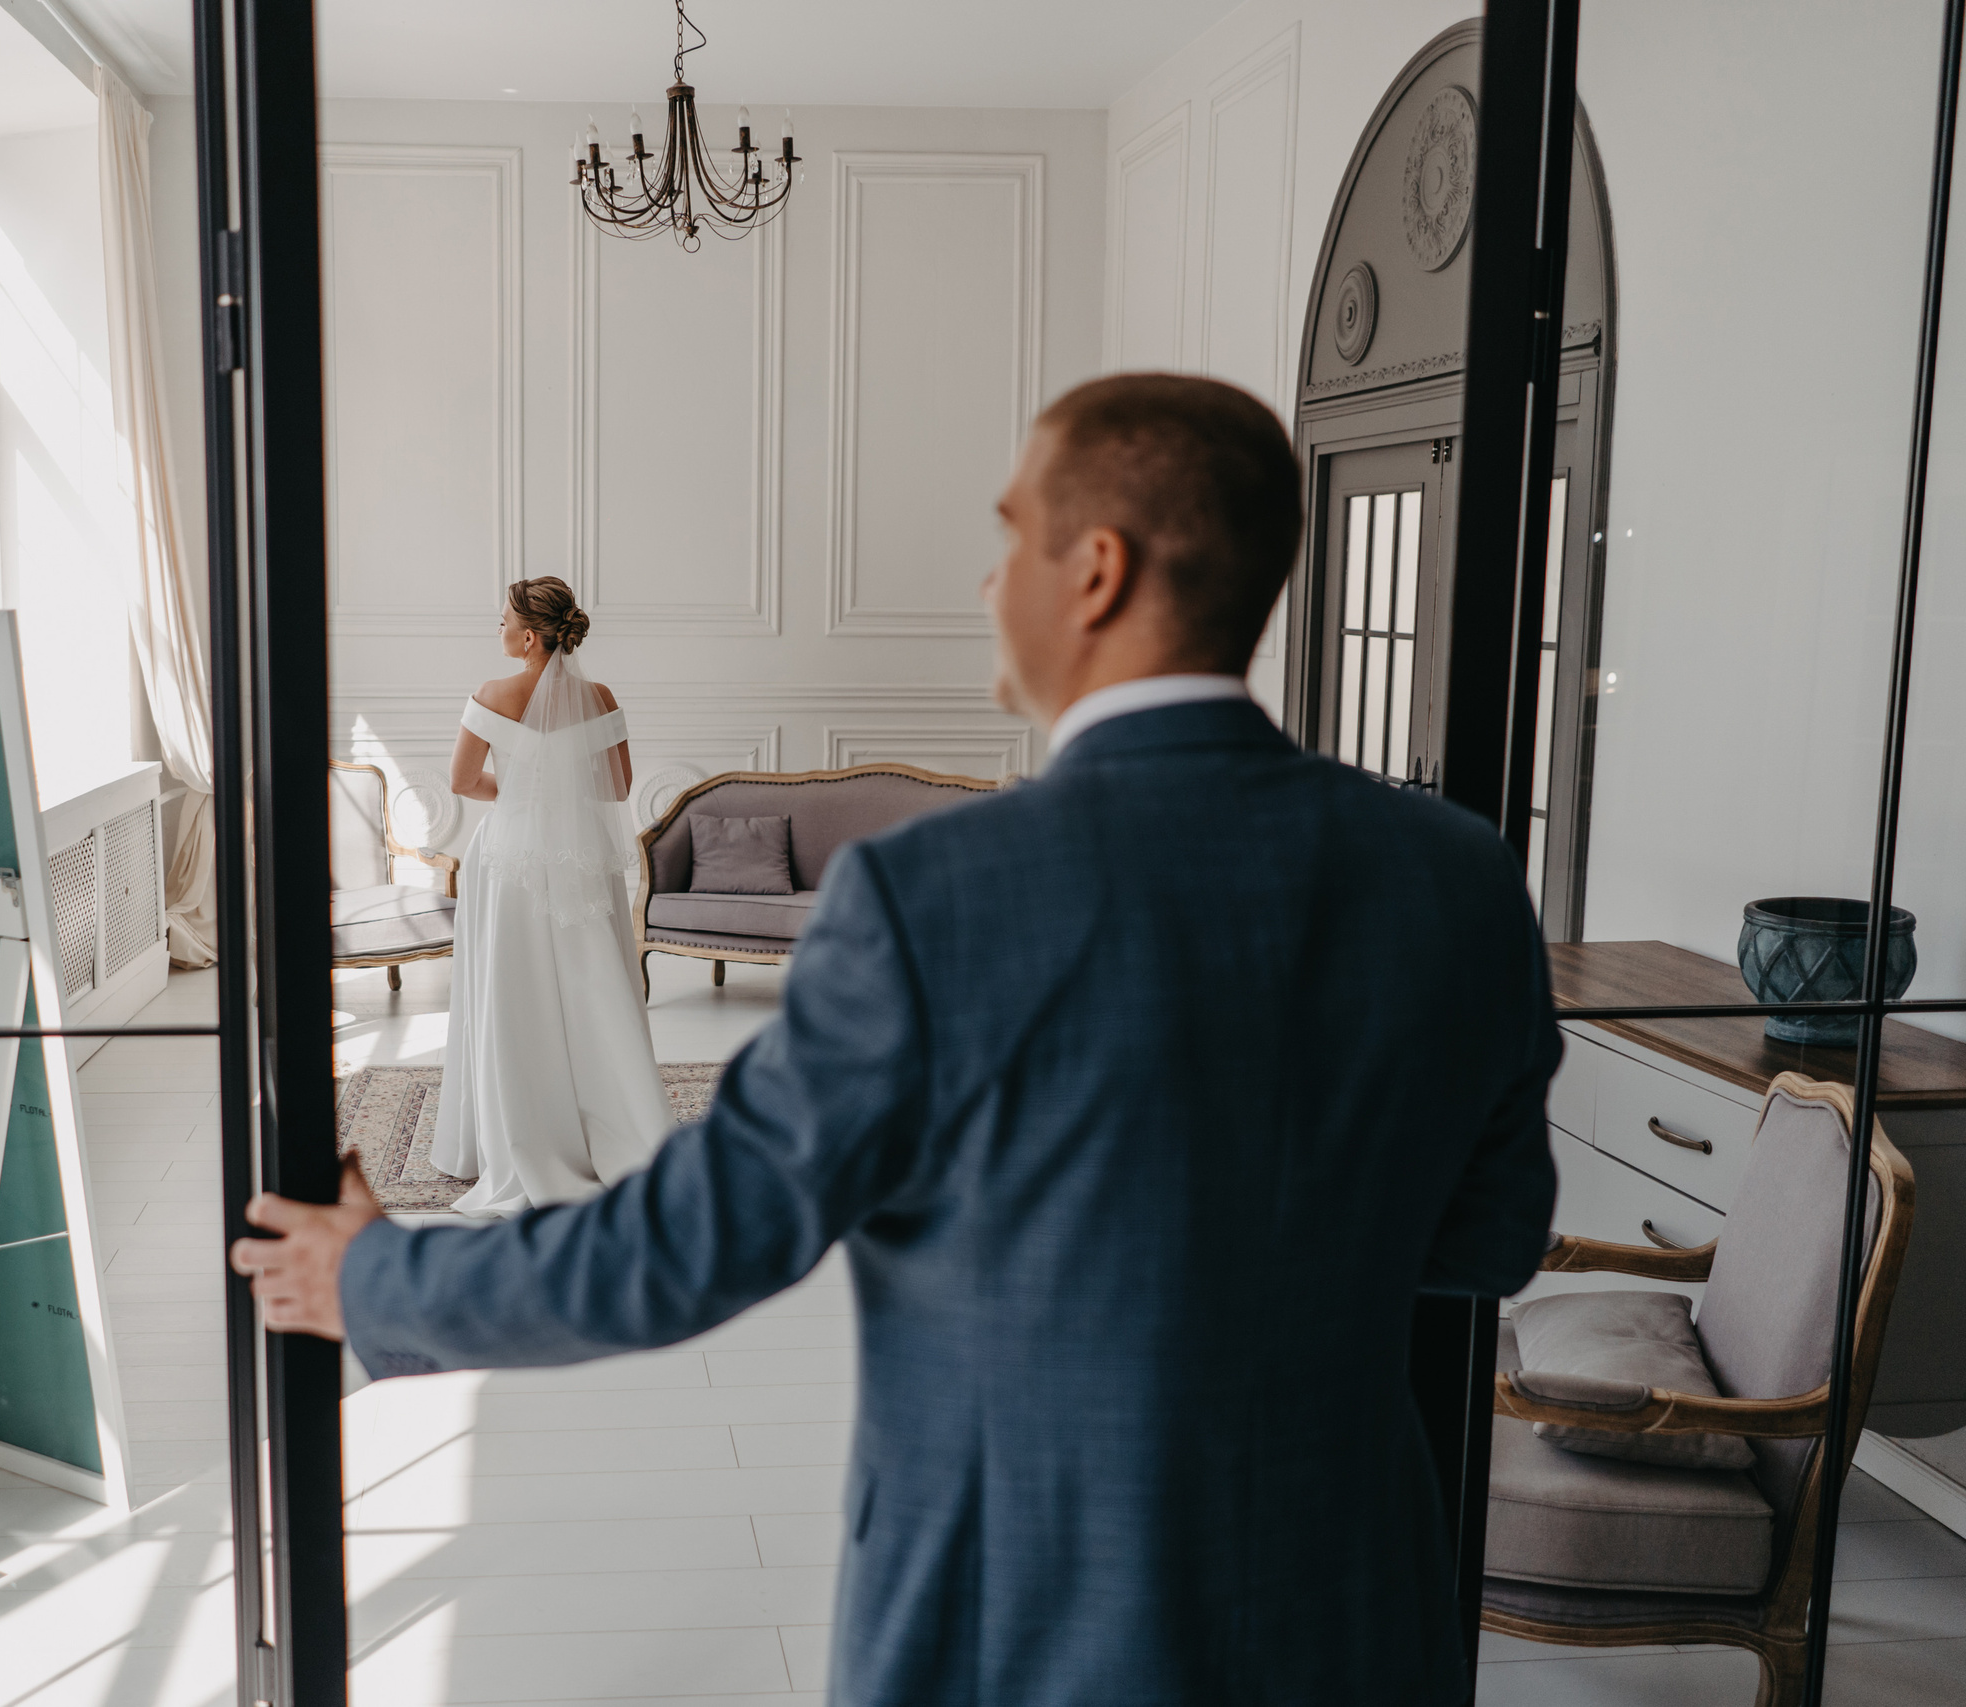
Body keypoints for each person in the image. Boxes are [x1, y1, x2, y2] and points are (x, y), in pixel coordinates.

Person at [234, 375, 1559, 1703]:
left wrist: (376, 1281)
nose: (990, 583)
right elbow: (1492, 1235)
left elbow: (688, 1241)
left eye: (1008, 537)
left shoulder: (939, 895)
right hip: (1360, 1624)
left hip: (1012, 1638)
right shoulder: (1457, 876)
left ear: (1094, 571)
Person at [427, 576, 671, 1216]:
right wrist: (558, 790)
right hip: (583, 856)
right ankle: (618, 1124)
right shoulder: (600, 696)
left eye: (504, 620)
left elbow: (460, 780)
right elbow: (617, 789)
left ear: (530, 636)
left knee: (512, 989)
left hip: (508, 857)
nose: (499, 629)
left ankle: (516, 1133)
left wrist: (519, 793)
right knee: (595, 985)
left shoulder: (490, 694)